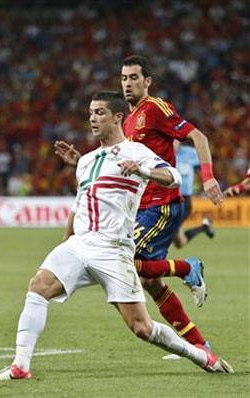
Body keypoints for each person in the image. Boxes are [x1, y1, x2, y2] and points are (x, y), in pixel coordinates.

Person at [0, 91, 232, 381]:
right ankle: (21, 366)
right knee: (39, 285)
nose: (92, 117)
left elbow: (174, 177)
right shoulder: (86, 161)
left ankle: (201, 356)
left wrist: (143, 171)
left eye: (100, 112)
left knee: (142, 328)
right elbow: (79, 205)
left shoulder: (137, 152)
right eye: (91, 112)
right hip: (80, 243)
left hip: (113, 249)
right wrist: (66, 242)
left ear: (118, 117)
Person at [55, 55, 224, 352]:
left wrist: (208, 178)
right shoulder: (126, 118)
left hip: (161, 203)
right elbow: (116, 164)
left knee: (128, 263)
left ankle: (187, 267)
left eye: (134, 77)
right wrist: (79, 162)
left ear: (147, 81)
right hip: (137, 207)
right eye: (124, 78)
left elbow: (198, 136)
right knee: (148, 280)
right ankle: (201, 346)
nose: (128, 83)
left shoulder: (156, 109)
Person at [173, 141, 215, 248]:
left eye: (175, 141)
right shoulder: (163, 153)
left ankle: (154, 261)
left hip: (183, 200)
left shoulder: (190, 153)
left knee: (167, 231)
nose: (174, 144)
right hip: (168, 198)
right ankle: (204, 227)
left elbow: (204, 165)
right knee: (180, 243)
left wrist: (206, 184)